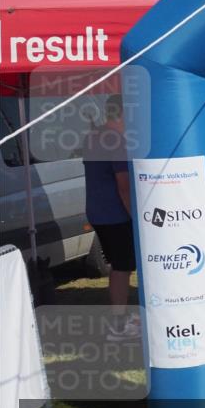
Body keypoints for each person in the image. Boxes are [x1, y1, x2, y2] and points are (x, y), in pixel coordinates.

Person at [81, 94, 138, 341]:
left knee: (120, 266)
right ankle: (118, 326)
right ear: (124, 114)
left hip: (98, 211)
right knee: (122, 267)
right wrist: (135, 217)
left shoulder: (95, 136)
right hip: (114, 214)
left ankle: (121, 320)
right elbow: (123, 185)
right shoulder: (116, 141)